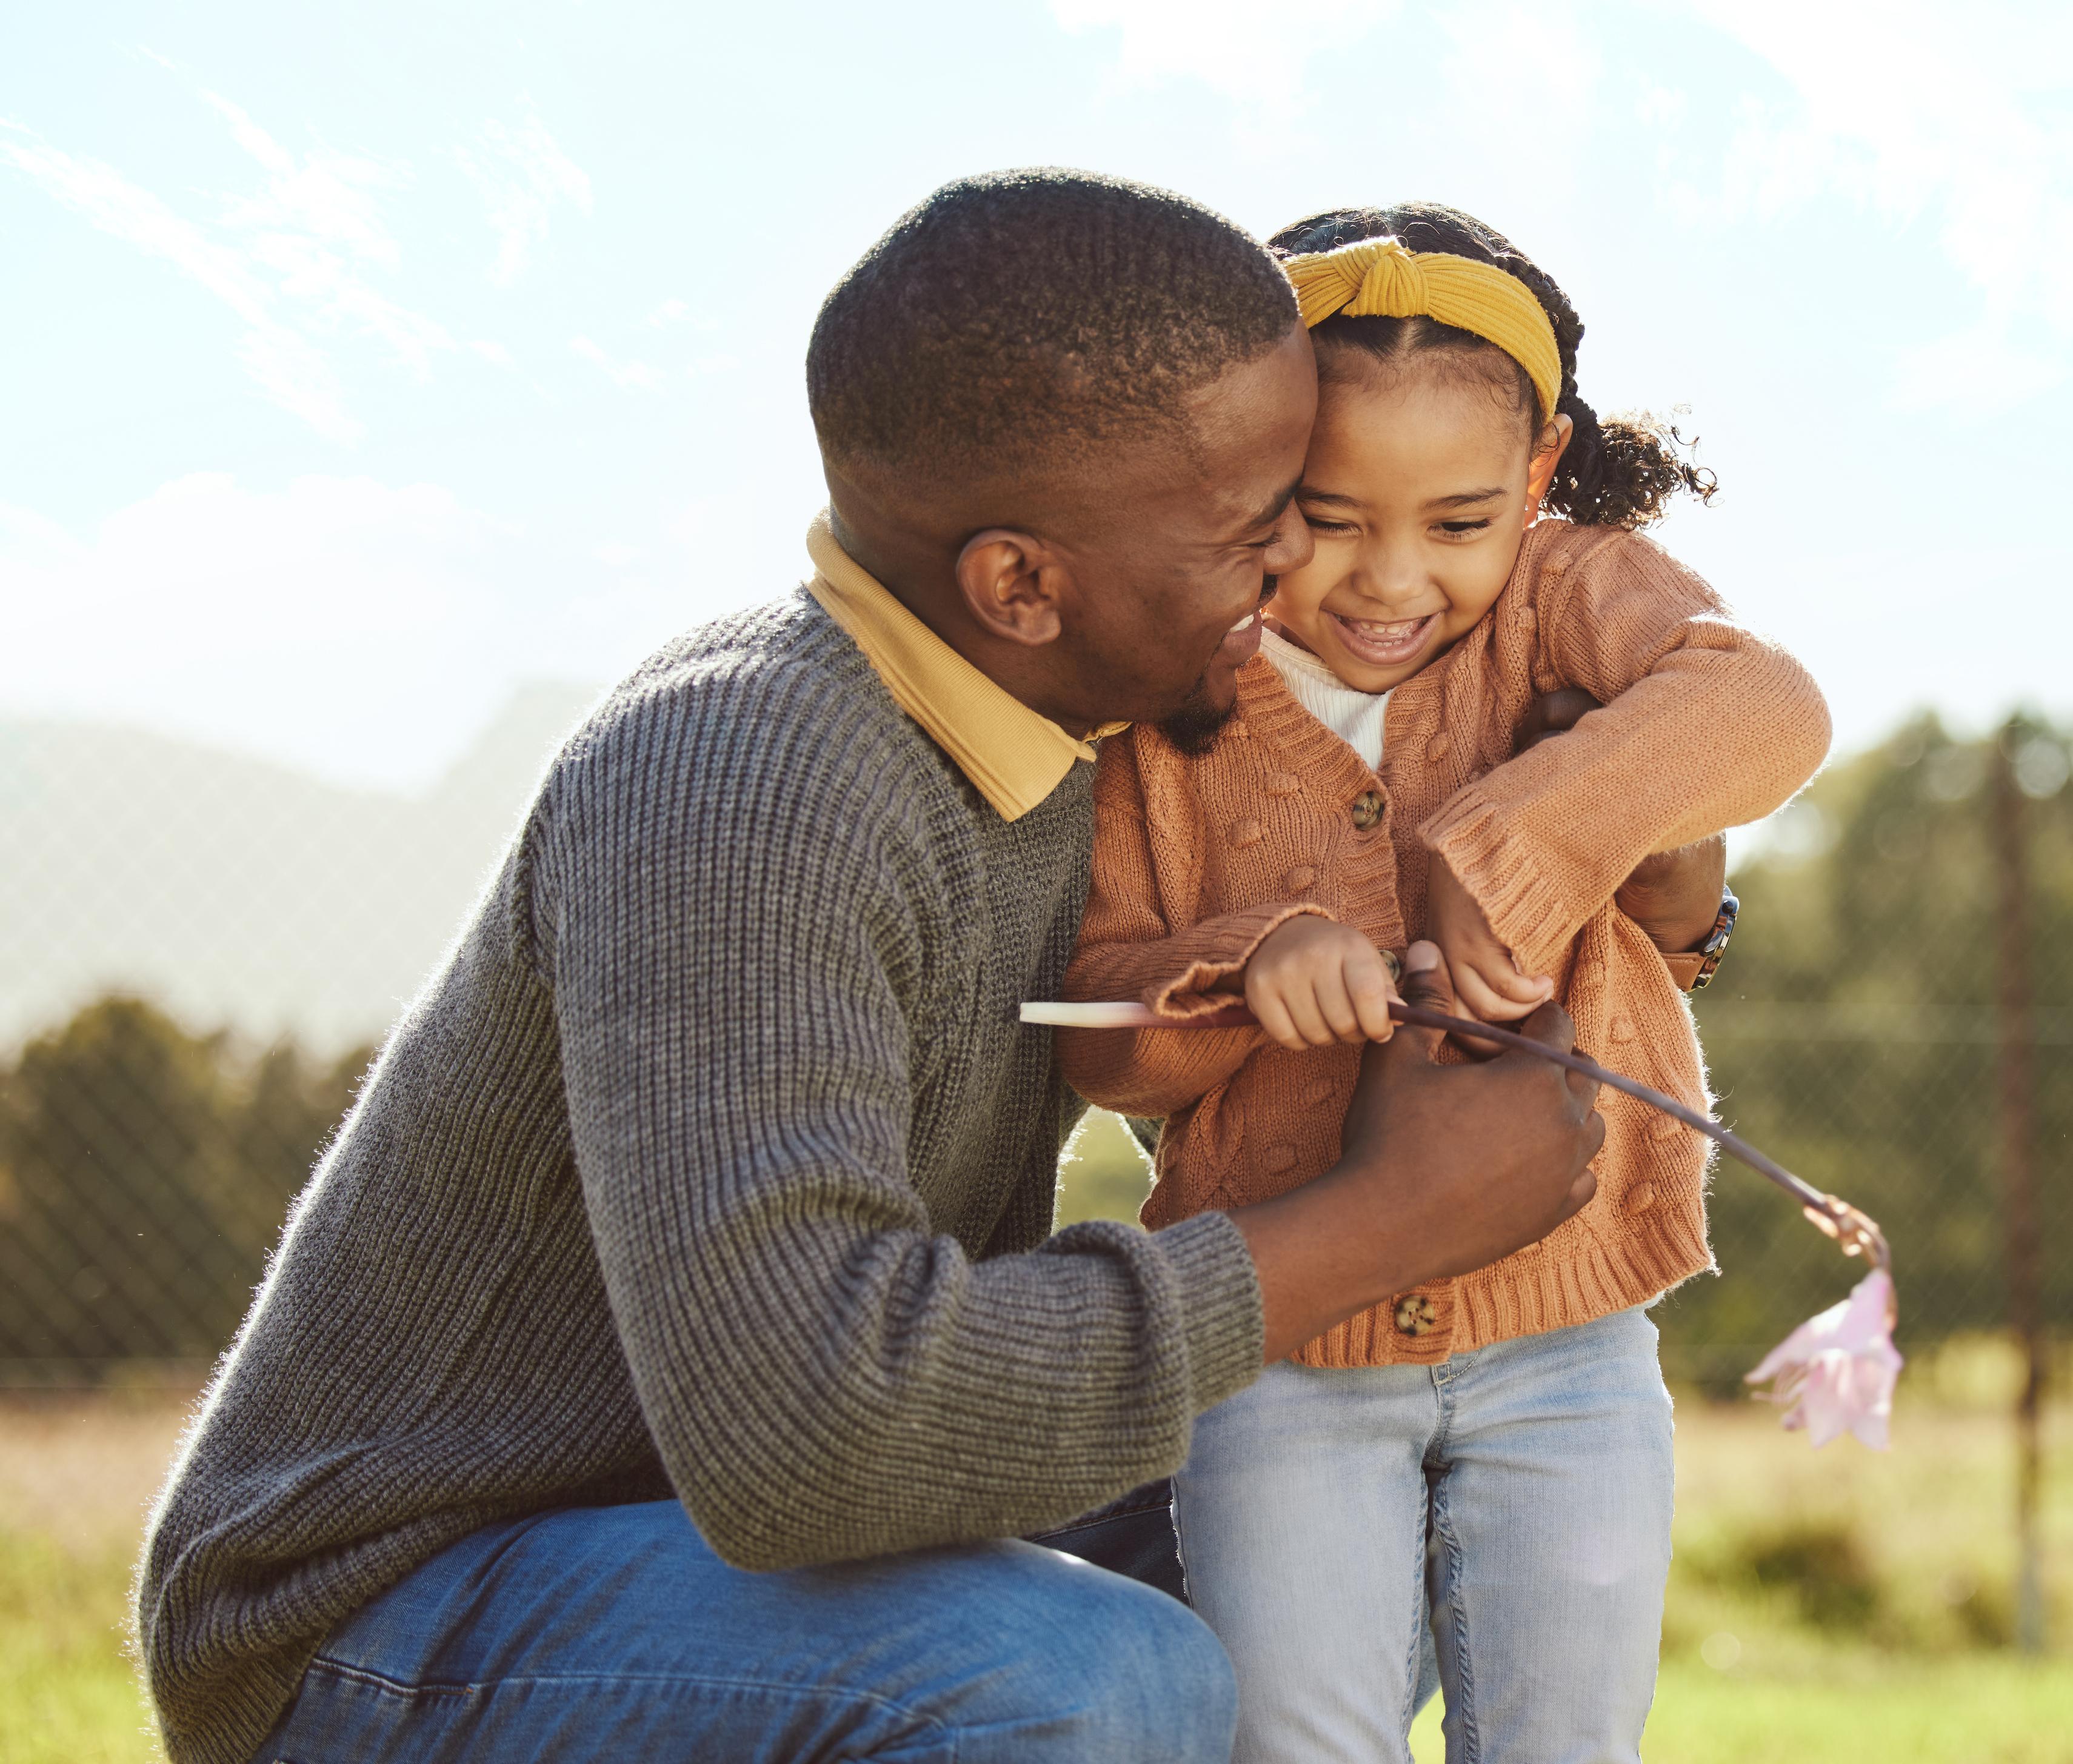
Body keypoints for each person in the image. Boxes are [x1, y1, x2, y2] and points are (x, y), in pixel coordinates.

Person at [133, 171, 1622, 1764]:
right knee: (1084, 1677)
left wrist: (1641, 874)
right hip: (387, 1619)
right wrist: (1371, 1226)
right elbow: (808, 1439)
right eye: (1256, 533)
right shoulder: (741, 781)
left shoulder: (1064, 734)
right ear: (1022, 584)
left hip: (727, 1545)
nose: (1296, 581)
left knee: (1326, 1532)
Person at [1058, 201, 1831, 1763]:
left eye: (1459, 522)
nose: (1391, 581)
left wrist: (1525, 833)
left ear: (1541, 476)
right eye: (1326, 519)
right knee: (1295, 1733)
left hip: (1575, 1339)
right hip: (1281, 1350)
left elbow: (1771, 705)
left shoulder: (1571, 595)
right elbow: (1106, 1044)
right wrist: (1243, 965)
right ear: (1251, 477)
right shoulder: (1168, 705)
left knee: (1566, 1736)